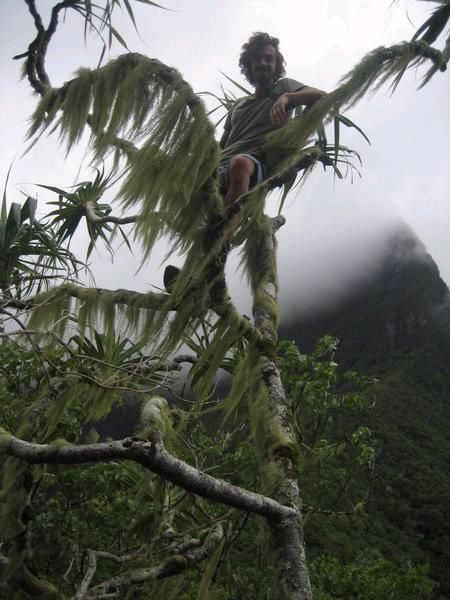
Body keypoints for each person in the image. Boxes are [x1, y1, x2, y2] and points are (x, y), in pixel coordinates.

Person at [164, 32, 326, 292]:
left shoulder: (284, 87)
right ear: (249, 66)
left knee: (241, 165)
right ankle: (193, 278)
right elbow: (222, 144)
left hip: (253, 165)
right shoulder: (238, 106)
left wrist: (287, 99)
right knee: (207, 215)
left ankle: (217, 252)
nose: (263, 63)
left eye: (268, 58)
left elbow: (321, 95)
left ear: (276, 63)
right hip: (222, 166)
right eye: (257, 59)